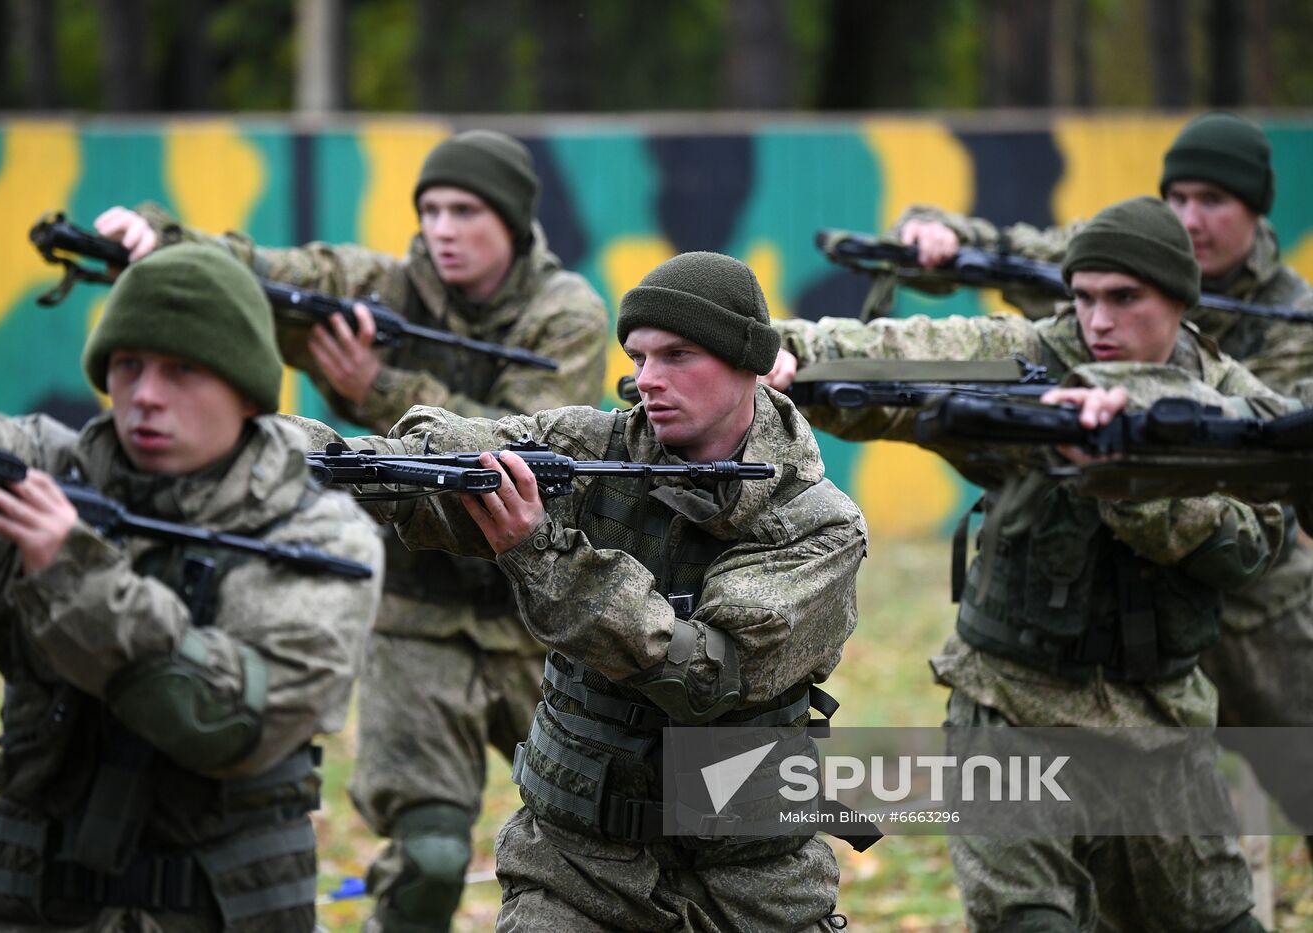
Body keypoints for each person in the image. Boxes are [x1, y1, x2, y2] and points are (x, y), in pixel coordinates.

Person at [94, 129, 607, 931]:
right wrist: (158, 243)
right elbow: (265, 276)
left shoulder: (566, 313)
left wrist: (379, 388)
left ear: (511, 221)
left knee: (630, 822)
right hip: (416, 619)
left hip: (534, 609)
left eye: (465, 209)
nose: (442, 227)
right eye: (430, 207)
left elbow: (517, 447)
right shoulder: (379, 288)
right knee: (433, 858)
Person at [292, 252, 867, 932]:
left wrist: (541, 553)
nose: (647, 379)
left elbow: (707, 675)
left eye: (677, 354)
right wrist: (275, 452)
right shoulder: (587, 449)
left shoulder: (819, 525)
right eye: (638, 356)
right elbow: (439, 461)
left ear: (747, 361)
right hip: (573, 870)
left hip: (751, 884)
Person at [767, 197, 1281, 931]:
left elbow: (1251, 543)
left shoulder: (1234, 403)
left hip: (1161, 723)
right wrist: (787, 350)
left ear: (1177, 300)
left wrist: (1126, 478)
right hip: (1012, 704)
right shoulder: (1029, 357)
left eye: (1124, 298)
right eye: (1084, 297)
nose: (1098, 320)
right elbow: (902, 352)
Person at [0, 244, 382, 931]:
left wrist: (71, 572)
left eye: (182, 370)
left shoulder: (321, 538)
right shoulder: (57, 473)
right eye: (127, 366)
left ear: (246, 389)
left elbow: (227, 718)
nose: (145, 396)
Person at [889, 112, 1313, 857]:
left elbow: (1266, 452)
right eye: (1177, 196)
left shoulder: (1293, 319)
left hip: (1252, 602)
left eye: (1213, 198)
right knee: (1144, 839)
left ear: (1255, 209)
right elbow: (1017, 253)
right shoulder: (1126, 258)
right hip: (1122, 605)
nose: (1191, 217)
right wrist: (936, 233)